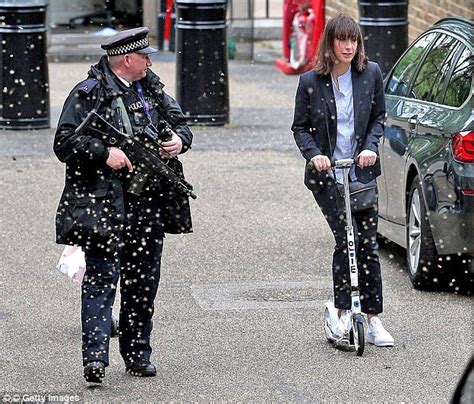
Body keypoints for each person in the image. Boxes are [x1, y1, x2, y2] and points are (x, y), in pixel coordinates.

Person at [53, 27, 193, 383]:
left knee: (142, 282)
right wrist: (105, 153)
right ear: (126, 60)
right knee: (101, 280)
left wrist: (178, 141)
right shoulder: (90, 94)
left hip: (148, 203)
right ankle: (96, 359)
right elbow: (65, 143)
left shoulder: (152, 89)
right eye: (144, 56)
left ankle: (136, 353)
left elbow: (181, 125)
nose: (149, 61)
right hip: (104, 204)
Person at [291, 14, 394, 347]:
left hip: (361, 170)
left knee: (367, 243)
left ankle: (373, 317)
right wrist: (315, 154)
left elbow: (378, 116)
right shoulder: (310, 81)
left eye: (353, 40)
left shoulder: (370, 74)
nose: (349, 46)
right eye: (342, 40)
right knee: (346, 238)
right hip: (328, 175)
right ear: (331, 43)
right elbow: (300, 128)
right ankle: (345, 309)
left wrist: (369, 147)